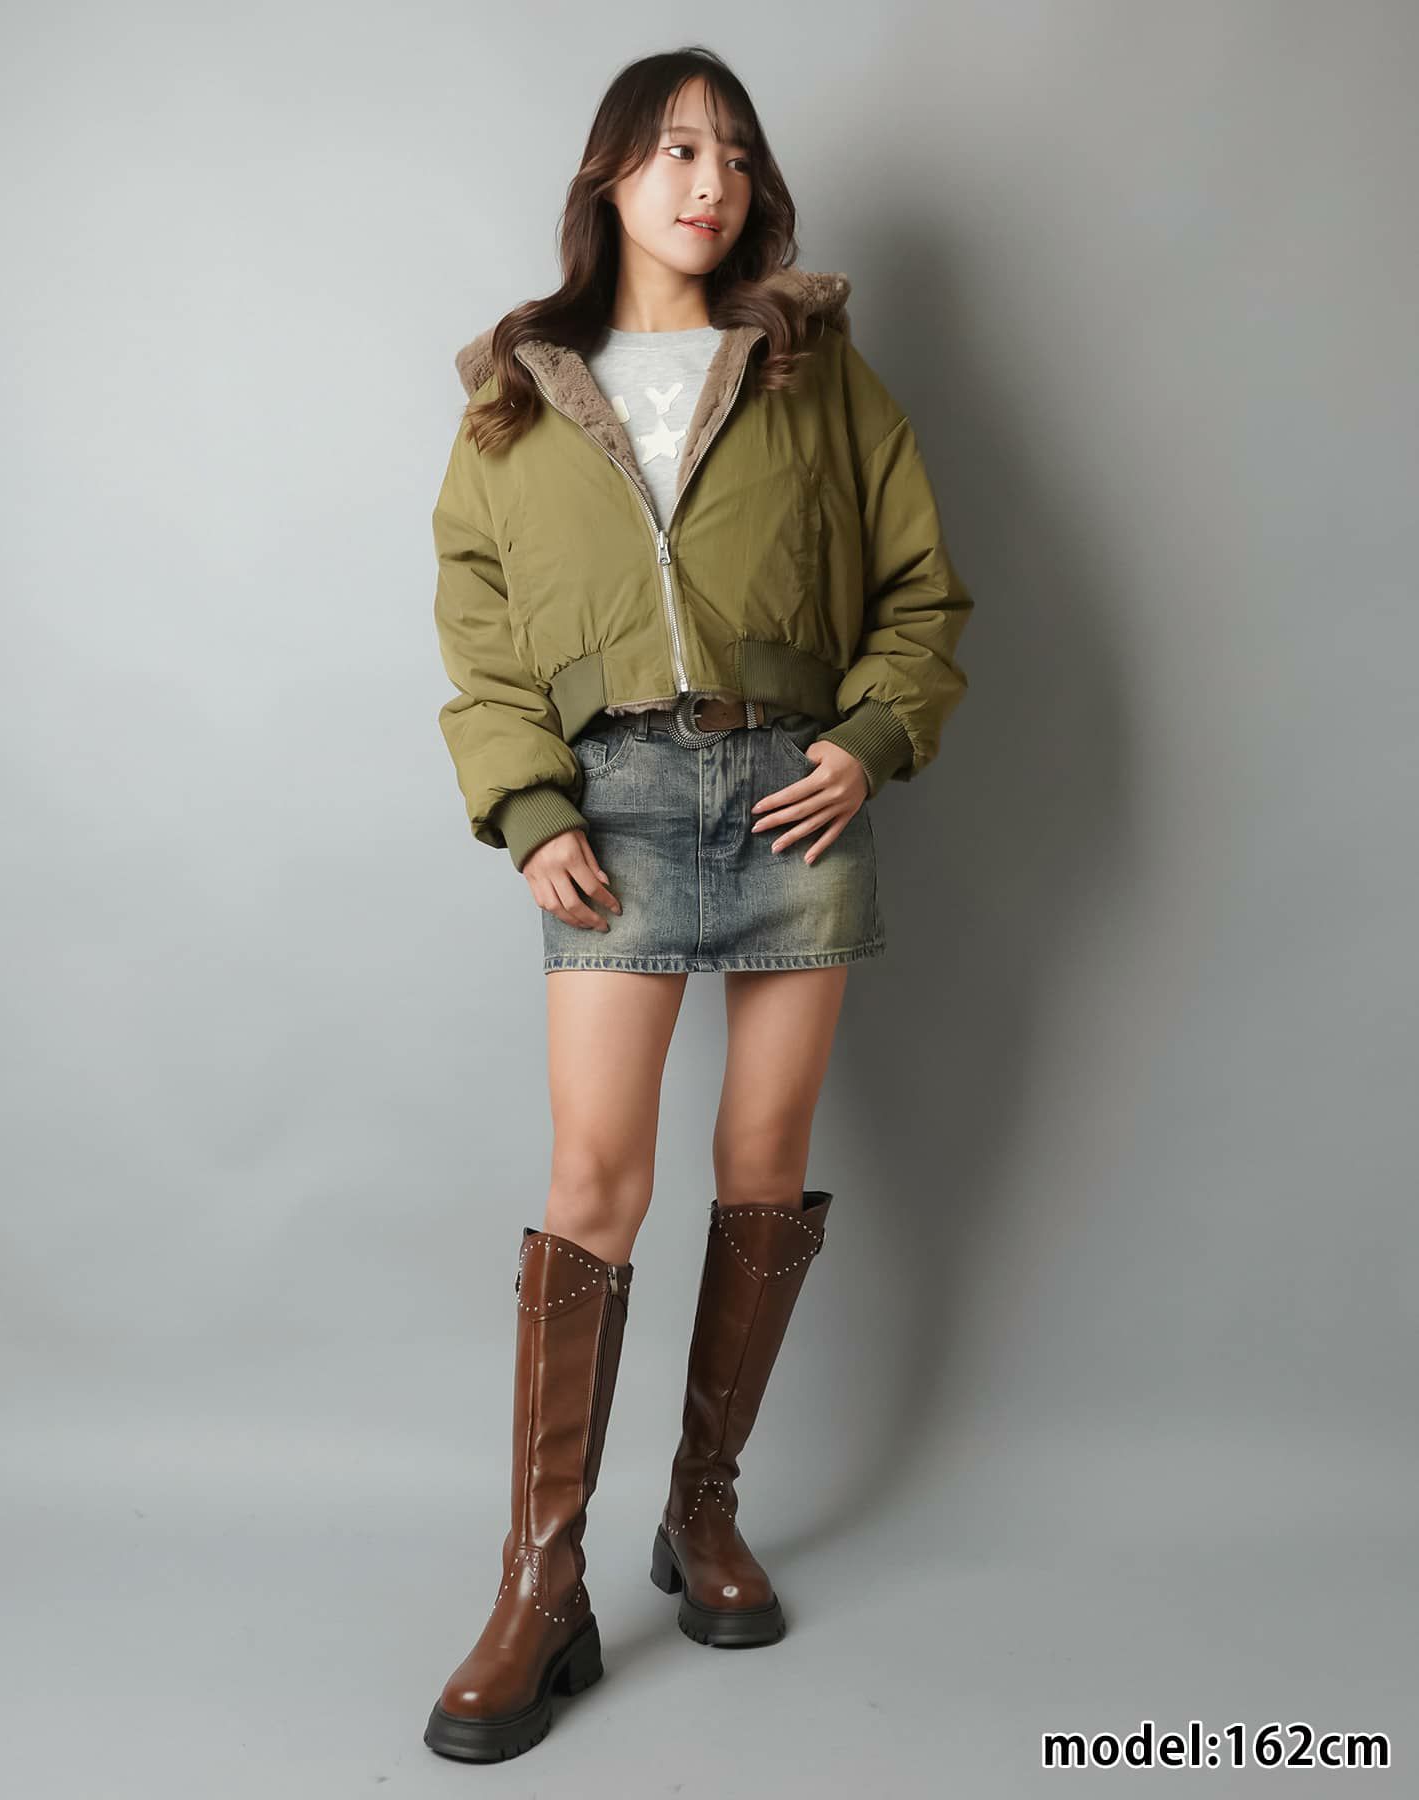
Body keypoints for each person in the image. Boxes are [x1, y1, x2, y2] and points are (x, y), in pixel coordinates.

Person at [423, 46, 973, 1763]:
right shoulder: (517, 393)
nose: (707, 181)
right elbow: (481, 634)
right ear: (609, 176)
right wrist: (527, 807)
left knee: (760, 1162)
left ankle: (703, 1509)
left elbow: (921, 588)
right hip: (615, 806)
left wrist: (869, 741)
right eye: (673, 149)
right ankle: (541, 1584)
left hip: (795, 796)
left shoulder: (815, 368)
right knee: (597, 1177)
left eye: (732, 153)